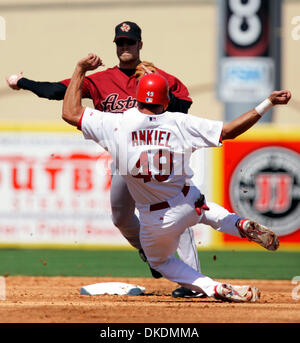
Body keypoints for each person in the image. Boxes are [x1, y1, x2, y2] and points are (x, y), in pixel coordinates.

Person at [61, 53, 290, 302]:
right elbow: (229, 131)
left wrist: (80, 69)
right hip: (187, 199)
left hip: (156, 218)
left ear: (137, 97)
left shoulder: (117, 123)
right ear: (167, 99)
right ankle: (239, 225)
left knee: (161, 261)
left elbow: (70, 113)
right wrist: (267, 103)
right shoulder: (180, 122)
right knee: (206, 210)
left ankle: (213, 287)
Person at [6, 21, 201, 298]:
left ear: (140, 45)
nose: (125, 47)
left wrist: (160, 87)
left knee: (175, 212)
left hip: (160, 158)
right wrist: (22, 82)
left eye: (130, 42)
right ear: (116, 46)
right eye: (120, 43)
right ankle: (149, 250)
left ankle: (193, 283)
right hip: (125, 160)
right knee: (121, 217)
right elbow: (56, 91)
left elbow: (183, 109)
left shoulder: (159, 77)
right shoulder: (100, 80)